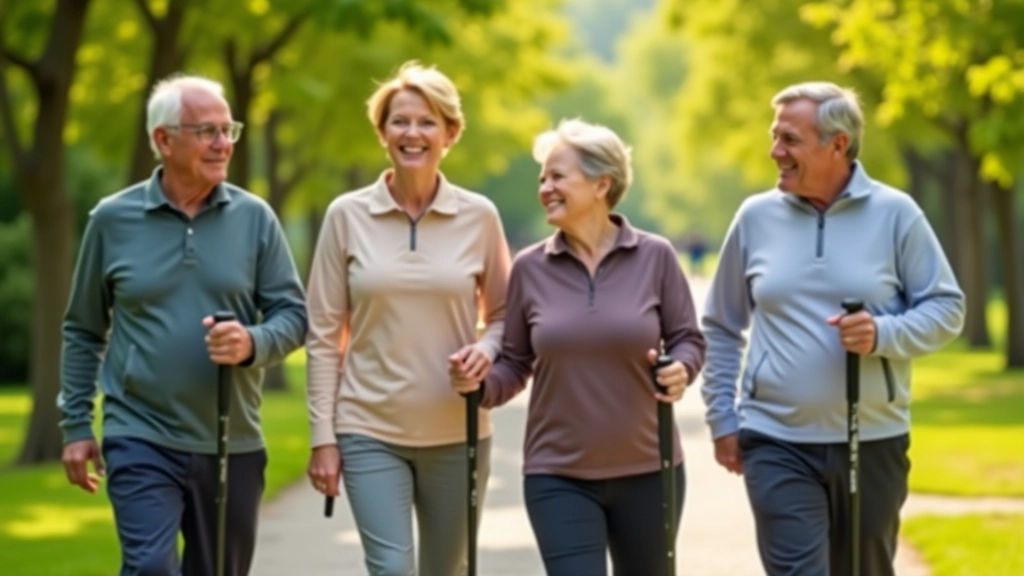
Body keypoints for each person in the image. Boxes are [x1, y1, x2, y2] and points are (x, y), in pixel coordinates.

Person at [701, 82, 965, 576]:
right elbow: (720, 325)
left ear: (837, 143)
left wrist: (882, 334)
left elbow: (947, 308)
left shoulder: (897, 214)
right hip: (774, 439)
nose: (774, 151)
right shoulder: (754, 217)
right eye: (774, 137)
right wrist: (723, 418)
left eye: (789, 139)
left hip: (873, 441)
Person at [58, 74, 308, 576]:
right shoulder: (112, 220)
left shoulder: (255, 218)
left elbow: (296, 316)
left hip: (231, 437)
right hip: (140, 433)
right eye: (207, 131)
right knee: (150, 568)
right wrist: (77, 424)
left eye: (228, 130)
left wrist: (251, 342)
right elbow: (83, 329)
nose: (223, 144)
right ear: (162, 140)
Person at [450, 118, 707, 576]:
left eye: (557, 176)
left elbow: (688, 339)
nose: (545, 187)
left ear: (601, 183)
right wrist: (480, 385)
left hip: (650, 469)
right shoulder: (530, 268)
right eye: (542, 178)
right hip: (558, 475)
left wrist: (681, 370)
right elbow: (514, 363)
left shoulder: (655, 256)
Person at [304, 61, 510, 576]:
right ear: (382, 132)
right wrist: (322, 436)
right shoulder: (345, 216)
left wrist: (484, 352)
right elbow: (324, 336)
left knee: (448, 569)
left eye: (427, 122)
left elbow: (506, 317)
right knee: (392, 570)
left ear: (450, 133)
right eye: (399, 121)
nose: (412, 133)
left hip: (457, 431)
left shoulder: (479, 216)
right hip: (367, 427)